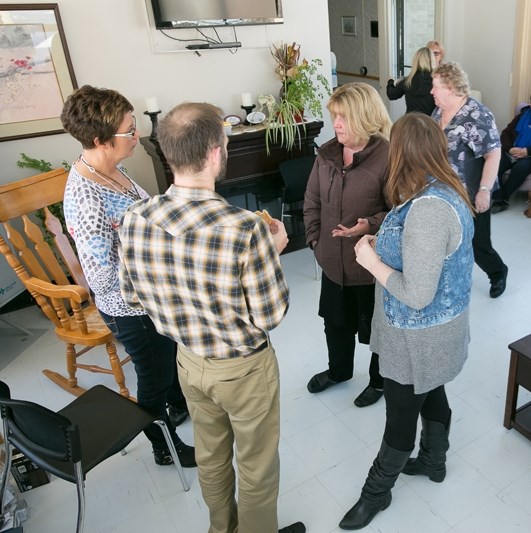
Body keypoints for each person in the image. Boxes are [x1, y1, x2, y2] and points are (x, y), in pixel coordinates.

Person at [116, 103, 304, 533]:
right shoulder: (245, 229)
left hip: (188, 363)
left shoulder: (134, 218)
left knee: (211, 456)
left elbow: (133, 296)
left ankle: (222, 529)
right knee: (256, 467)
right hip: (243, 368)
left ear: (167, 154)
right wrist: (270, 254)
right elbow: (270, 314)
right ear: (217, 153)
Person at [341, 112, 474, 530]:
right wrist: (379, 240)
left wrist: (369, 260)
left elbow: (417, 294)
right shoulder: (439, 186)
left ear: (402, 154)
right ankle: (435, 461)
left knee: (400, 418)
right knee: (431, 390)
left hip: (419, 335)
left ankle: (375, 494)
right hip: (436, 331)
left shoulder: (430, 210)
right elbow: (420, 252)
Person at [60, 85, 195, 469]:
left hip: (154, 297)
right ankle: (162, 444)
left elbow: (136, 216)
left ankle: (177, 405)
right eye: (129, 131)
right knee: (152, 378)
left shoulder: (111, 170)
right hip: (131, 308)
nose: (137, 136)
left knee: (168, 359)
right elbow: (101, 279)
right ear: (100, 140)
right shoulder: (86, 199)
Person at [303, 83, 392, 407]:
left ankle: (379, 381)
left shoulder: (387, 156)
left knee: (378, 332)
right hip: (332, 263)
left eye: (343, 117)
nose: (336, 123)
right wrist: (315, 241)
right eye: (334, 116)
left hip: (371, 268)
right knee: (335, 324)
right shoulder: (326, 154)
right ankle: (339, 372)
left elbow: (399, 211)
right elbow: (311, 199)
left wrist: (369, 225)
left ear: (365, 117)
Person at [431, 61, 508, 298]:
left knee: (478, 244)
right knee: (443, 240)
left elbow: (493, 153)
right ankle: (445, 283)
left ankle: (498, 272)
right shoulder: (438, 111)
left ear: (451, 88)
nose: (431, 92)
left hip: (471, 192)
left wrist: (484, 190)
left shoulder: (477, 115)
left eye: (435, 86)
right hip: (441, 190)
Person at [386, 47, 436, 115]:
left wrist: (390, 82)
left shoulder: (408, 80)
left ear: (415, 61)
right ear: (432, 61)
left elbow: (392, 95)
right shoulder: (437, 82)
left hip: (410, 121)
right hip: (430, 123)